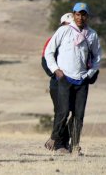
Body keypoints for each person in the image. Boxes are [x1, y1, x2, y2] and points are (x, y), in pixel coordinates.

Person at [45, 2, 102, 155]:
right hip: (65, 78)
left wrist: (89, 74)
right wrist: (56, 70)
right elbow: (49, 52)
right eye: (78, 14)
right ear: (74, 15)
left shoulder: (92, 35)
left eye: (83, 14)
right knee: (63, 112)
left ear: (87, 16)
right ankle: (54, 139)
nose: (80, 17)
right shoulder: (64, 31)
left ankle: (75, 145)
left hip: (82, 80)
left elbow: (97, 57)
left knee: (79, 114)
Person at [41, 13, 73, 153]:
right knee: (61, 112)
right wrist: (56, 74)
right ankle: (60, 144)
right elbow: (44, 61)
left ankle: (66, 143)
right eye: (68, 25)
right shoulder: (52, 39)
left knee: (75, 113)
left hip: (75, 82)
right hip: (58, 83)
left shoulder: (79, 39)